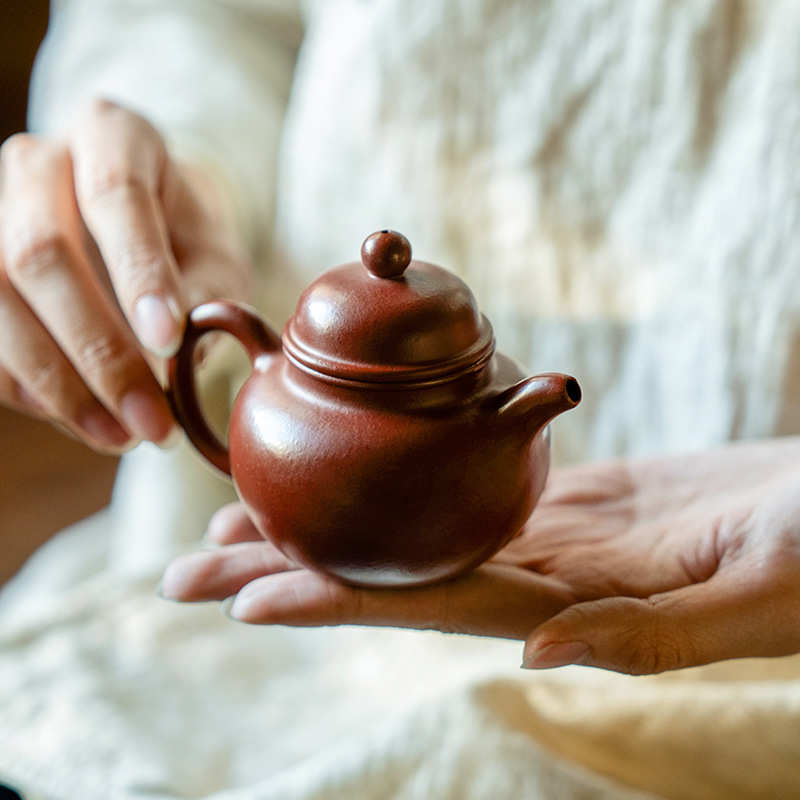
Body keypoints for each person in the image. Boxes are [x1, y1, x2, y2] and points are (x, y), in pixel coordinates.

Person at [1, 1, 799, 797]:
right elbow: (209, 18)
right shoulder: (294, 371)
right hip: (223, 650)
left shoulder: (496, 404)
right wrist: (180, 173)